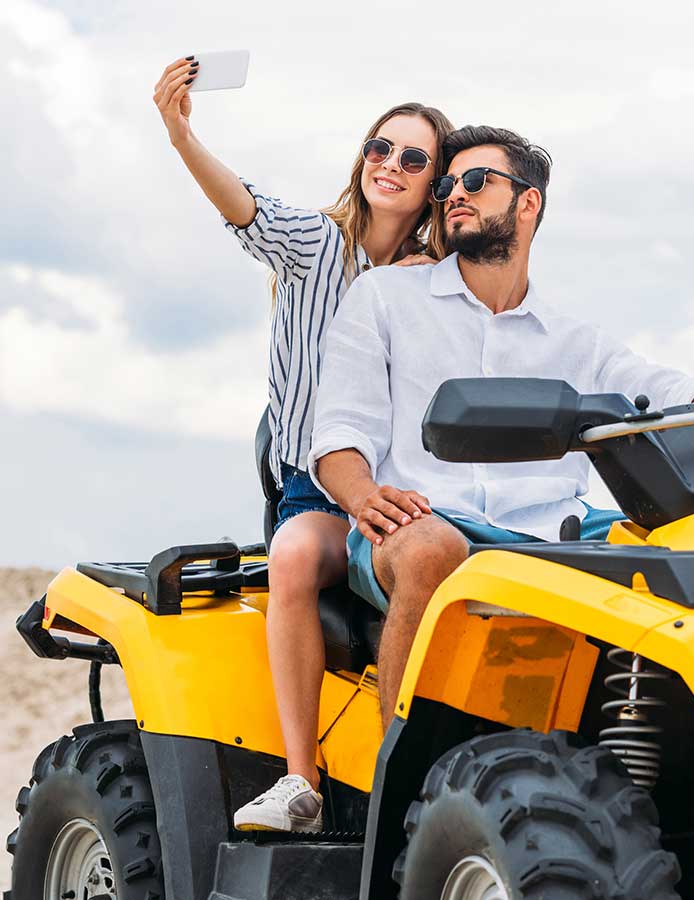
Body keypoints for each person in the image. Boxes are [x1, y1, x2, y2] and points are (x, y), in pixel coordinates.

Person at [309, 125, 694, 731]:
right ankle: (398, 795)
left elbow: (676, 396)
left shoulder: (575, 338)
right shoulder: (385, 298)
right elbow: (341, 435)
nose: (455, 193)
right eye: (448, 183)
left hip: (551, 532)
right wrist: (365, 497)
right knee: (433, 549)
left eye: (477, 181)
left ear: (527, 203)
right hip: (416, 522)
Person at [153, 56, 454, 832]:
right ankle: (300, 781)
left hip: (410, 489)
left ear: (433, 183)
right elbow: (243, 207)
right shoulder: (317, 246)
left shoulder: (434, 279)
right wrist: (182, 134)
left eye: (413, 158)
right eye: (380, 148)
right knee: (290, 558)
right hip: (320, 492)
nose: (390, 164)